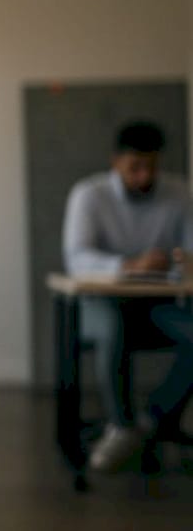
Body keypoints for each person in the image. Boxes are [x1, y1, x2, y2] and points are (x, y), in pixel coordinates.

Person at [63, 120, 193, 472]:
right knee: (112, 325)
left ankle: (157, 419)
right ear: (115, 162)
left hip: (157, 306)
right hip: (102, 304)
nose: (143, 176)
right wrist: (130, 265)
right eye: (134, 167)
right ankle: (121, 424)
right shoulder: (89, 195)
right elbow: (76, 260)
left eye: (151, 166)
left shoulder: (180, 193)